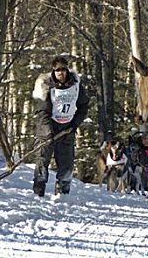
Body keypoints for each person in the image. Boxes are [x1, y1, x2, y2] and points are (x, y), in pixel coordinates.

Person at [31, 55, 89, 196]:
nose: (60, 73)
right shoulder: (47, 86)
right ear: (53, 71)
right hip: (47, 130)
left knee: (66, 165)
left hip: (67, 130)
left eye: (63, 70)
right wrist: (48, 131)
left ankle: (63, 195)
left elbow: (83, 106)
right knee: (42, 162)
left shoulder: (75, 86)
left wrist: (75, 124)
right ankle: (38, 193)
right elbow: (42, 112)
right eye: (57, 70)